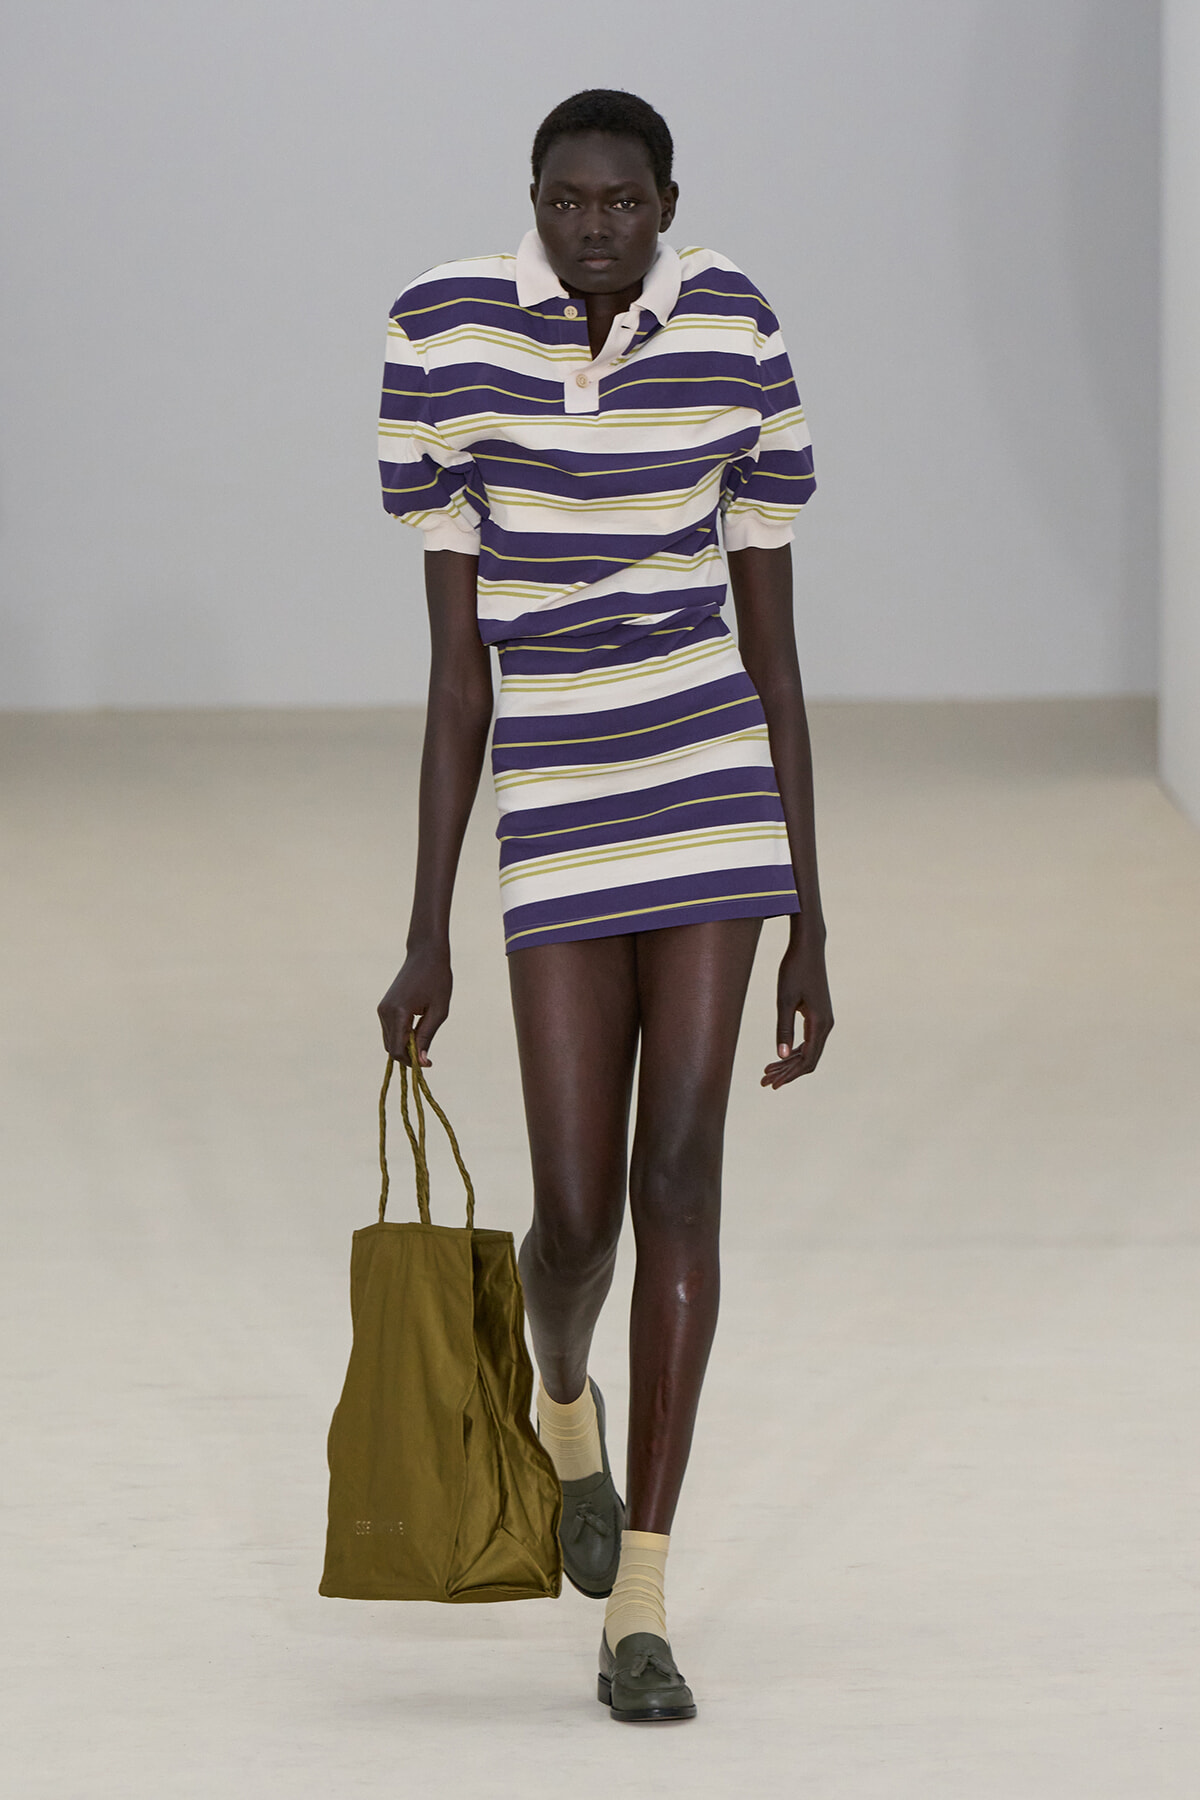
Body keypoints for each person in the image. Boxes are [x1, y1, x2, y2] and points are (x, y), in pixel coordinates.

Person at [376, 88, 832, 1723]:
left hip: (710, 789)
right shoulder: (440, 336)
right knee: (575, 1219)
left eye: (620, 203)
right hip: (561, 810)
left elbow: (772, 648)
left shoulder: (739, 326)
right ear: (533, 202)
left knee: (681, 1182)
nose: (592, 228)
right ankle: (556, 1388)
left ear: (664, 204)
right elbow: (456, 676)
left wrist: (812, 915)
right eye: (566, 201)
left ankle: (641, 1598)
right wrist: (427, 923)